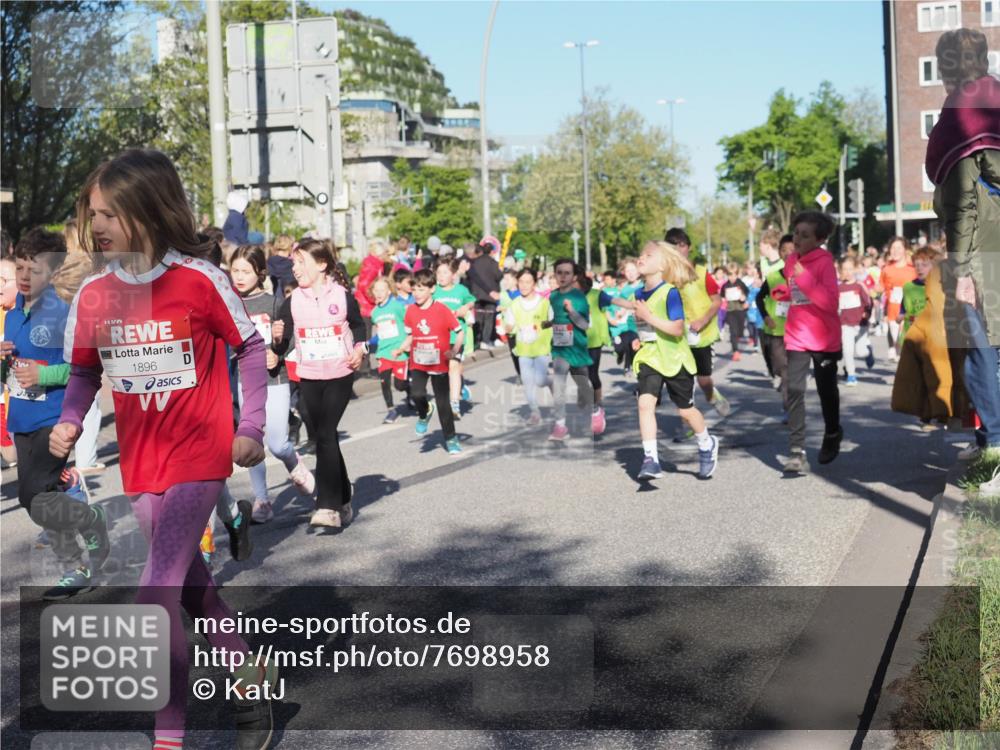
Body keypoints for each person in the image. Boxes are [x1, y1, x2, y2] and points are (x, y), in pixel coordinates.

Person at [55, 149, 276, 749]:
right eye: (91, 214)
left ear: (148, 209)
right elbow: (82, 374)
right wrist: (71, 422)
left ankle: (167, 739)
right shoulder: (95, 296)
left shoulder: (198, 280)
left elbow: (252, 349)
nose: (95, 226)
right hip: (142, 463)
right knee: (191, 586)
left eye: (108, 213)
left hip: (200, 456)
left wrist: (251, 427)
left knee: (155, 596)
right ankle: (249, 678)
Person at [3, 228, 110, 599]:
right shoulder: (13, 314)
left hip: (55, 418)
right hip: (21, 419)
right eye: (20, 268)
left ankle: (90, 523)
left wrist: (43, 374)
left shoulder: (62, 314)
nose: (23, 277)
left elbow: (80, 367)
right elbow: (12, 371)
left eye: (33, 270)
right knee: (39, 499)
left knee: (34, 495)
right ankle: (77, 568)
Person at [926, 27, 1000, 475]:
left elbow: (965, 196)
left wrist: (964, 269)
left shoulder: (962, 108)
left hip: (980, 247)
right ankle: (986, 438)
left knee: (979, 349)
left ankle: (993, 447)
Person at [271, 238, 365, 528]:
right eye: (293, 263)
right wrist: (277, 339)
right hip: (309, 375)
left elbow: (360, 325)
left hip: (340, 373)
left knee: (325, 433)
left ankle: (327, 507)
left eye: (301, 262)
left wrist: (360, 349)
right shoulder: (293, 301)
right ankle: (345, 497)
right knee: (326, 437)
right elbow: (282, 344)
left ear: (322, 265)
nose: (295, 268)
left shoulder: (342, 296)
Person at [228, 244, 315, 523]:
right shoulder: (229, 304)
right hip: (245, 380)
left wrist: (277, 350)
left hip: (275, 379)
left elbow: (291, 341)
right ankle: (262, 501)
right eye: (235, 270)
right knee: (252, 441)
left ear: (261, 273)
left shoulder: (274, 303)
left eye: (246, 271)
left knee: (277, 444)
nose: (239, 276)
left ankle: (294, 464)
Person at [618, 241, 719, 481]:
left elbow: (676, 329)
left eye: (648, 255)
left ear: (663, 264)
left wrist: (648, 317)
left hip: (675, 358)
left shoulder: (670, 292)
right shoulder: (638, 292)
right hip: (650, 356)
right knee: (645, 403)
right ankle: (651, 458)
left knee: (685, 411)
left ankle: (706, 443)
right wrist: (640, 339)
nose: (641, 257)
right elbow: (644, 325)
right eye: (641, 254)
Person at [780, 211, 843, 474]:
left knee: (825, 390)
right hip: (796, 335)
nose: (797, 239)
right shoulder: (791, 260)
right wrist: (783, 292)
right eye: (796, 233)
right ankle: (797, 451)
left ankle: (832, 432)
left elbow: (830, 302)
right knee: (793, 389)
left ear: (819, 239)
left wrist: (803, 278)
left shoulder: (824, 261)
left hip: (824, 337)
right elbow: (795, 293)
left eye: (805, 235)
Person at [664, 228, 731, 429]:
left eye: (682, 245)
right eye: (673, 246)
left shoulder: (701, 273)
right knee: (682, 383)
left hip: (700, 335)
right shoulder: (665, 277)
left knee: (703, 380)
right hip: (677, 336)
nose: (678, 250)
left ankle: (713, 396)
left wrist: (702, 321)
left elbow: (717, 301)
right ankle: (689, 424)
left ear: (689, 247)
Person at [394, 268, 463, 454]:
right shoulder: (410, 312)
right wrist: (401, 348)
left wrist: (454, 350)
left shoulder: (441, 309)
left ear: (432, 289)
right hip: (418, 362)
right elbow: (410, 337)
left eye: (422, 289)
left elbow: (460, 331)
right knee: (417, 394)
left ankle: (451, 438)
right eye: (414, 289)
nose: (417, 293)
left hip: (439, 363)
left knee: (443, 404)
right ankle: (424, 413)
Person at [547, 258, 604, 440]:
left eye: (567, 273)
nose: (563, 276)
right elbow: (556, 318)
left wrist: (571, 311)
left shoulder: (579, 297)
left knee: (583, 386)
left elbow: (585, 325)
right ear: (555, 274)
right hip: (559, 348)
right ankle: (560, 426)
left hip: (577, 348)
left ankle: (595, 412)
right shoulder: (553, 296)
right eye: (559, 272)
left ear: (573, 276)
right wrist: (548, 323)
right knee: (559, 384)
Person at [503, 268, 553, 425]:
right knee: (527, 381)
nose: (524, 285)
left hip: (541, 348)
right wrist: (508, 328)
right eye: (521, 282)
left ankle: (551, 383)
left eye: (528, 282)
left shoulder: (544, 303)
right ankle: (535, 412)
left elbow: (553, 320)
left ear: (534, 284)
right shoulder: (514, 304)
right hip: (523, 349)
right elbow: (509, 324)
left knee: (540, 380)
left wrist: (538, 326)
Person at [432, 259, 475, 419]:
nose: (441, 276)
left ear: (453, 274)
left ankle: (454, 402)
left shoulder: (461, 290)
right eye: (439, 273)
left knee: (454, 367)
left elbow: (471, 300)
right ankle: (447, 396)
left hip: (456, 336)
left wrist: (466, 307)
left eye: (445, 272)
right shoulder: (433, 291)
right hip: (437, 336)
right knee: (441, 371)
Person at [368, 276, 411, 423]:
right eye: (376, 290)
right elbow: (380, 333)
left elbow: (409, 322)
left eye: (382, 290)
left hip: (399, 350)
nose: (379, 293)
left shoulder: (397, 306)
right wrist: (368, 343)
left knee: (400, 385)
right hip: (384, 352)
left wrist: (407, 343)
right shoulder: (374, 313)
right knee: (384, 381)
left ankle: (410, 392)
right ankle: (391, 410)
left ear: (389, 291)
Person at [579, 271, 610, 426]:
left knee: (592, 374)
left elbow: (613, 302)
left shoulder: (598, 295)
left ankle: (598, 403)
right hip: (577, 341)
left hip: (594, 341)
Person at [837, 257, 874, 387]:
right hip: (845, 324)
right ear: (840, 271)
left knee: (861, 351)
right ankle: (851, 375)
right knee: (848, 350)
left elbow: (868, 302)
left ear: (855, 270)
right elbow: (835, 305)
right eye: (845, 269)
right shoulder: (839, 288)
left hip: (860, 324)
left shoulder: (859, 286)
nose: (847, 272)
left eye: (850, 269)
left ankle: (868, 351)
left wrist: (867, 313)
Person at [881, 236, 916, 363]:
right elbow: (883, 290)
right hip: (893, 312)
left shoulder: (913, 269)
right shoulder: (886, 269)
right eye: (893, 248)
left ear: (905, 250)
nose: (895, 251)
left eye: (899, 248)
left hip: (911, 312)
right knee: (899, 344)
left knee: (908, 344)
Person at [467, 240, 503, 349]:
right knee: (488, 318)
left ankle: (477, 340)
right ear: (492, 251)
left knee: (478, 318)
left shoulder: (474, 262)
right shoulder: (493, 263)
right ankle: (485, 340)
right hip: (490, 295)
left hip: (476, 294)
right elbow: (499, 276)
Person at [901, 247, 935, 338]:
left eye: (924, 265)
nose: (919, 268)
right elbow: (903, 312)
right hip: (912, 337)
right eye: (916, 265)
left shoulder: (940, 287)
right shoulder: (908, 287)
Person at [720, 262, 749, 361]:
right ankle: (735, 351)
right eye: (729, 275)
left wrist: (744, 297)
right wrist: (723, 300)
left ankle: (738, 337)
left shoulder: (740, 283)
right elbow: (722, 295)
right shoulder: (725, 285)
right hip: (730, 310)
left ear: (737, 274)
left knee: (740, 331)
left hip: (740, 310)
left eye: (734, 274)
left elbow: (747, 292)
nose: (732, 277)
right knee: (733, 331)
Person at [267, 234, 295, 298]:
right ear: (290, 246)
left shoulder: (268, 262)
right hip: (286, 301)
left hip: (269, 300)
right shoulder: (291, 265)